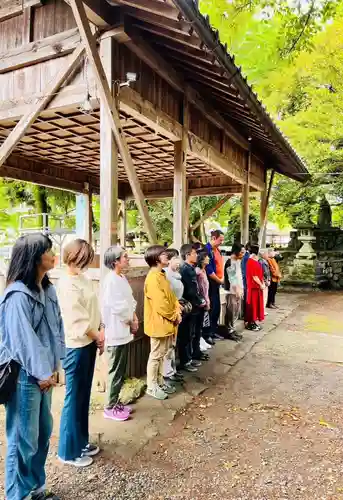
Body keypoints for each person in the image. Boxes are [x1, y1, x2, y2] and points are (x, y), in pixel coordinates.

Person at [0, 234, 65, 500]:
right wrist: (41, 373)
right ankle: (18, 495)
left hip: (44, 374)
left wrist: (55, 366)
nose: (53, 254)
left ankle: (36, 488)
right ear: (35, 257)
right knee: (22, 440)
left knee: (41, 435)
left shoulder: (47, 289)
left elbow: (56, 329)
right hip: (24, 377)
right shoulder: (16, 295)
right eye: (49, 250)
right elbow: (22, 341)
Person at [57, 239, 104, 468]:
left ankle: (81, 441)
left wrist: (99, 331)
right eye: (83, 257)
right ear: (73, 256)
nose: (85, 262)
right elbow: (77, 319)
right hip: (76, 345)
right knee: (73, 397)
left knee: (83, 395)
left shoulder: (82, 278)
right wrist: (98, 335)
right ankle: (67, 450)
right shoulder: (66, 283)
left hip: (89, 341)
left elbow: (93, 309)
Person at [101, 246, 138, 421]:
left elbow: (130, 301)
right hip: (115, 330)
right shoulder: (110, 280)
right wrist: (131, 320)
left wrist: (134, 317)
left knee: (120, 370)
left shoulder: (121, 277)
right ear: (115, 261)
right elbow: (117, 307)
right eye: (125, 257)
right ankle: (109, 406)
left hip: (124, 328)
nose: (128, 259)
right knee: (115, 370)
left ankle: (116, 402)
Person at [144, 245, 181, 400]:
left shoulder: (161, 275)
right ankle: (151, 386)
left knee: (162, 354)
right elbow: (161, 304)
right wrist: (175, 315)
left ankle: (159, 381)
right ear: (156, 258)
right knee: (156, 355)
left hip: (166, 323)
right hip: (159, 323)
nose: (167, 257)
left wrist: (177, 309)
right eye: (164, 255)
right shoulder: (153, 278)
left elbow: (171, 297)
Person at [178, 244, 206, 372]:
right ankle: (185, 361)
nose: (196, 256)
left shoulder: (190, 268)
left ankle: (189, 358)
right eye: (194, 253)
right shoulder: (185, 269)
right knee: (186, 334)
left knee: (191, 333)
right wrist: (198, 300)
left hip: (193, 306)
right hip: (189, 307)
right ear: (188, 255)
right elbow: (189, 290)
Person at [163, 248, 184, 384]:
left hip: (178, 310)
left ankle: (172, 370)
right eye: (176, 258)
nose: (179, 261)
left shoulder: (176, 274)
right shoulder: (165, 275)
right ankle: (166, 372)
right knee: (168, 345)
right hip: (170, 313)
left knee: (173, 344)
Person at [204, 230, 225, 342]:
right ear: (213, 238)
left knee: (217, 308)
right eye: (220, 240)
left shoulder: (217, 250)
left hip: (217, 282)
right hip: (211, 283)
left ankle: (214, 330)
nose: (222, 242)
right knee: (212, 307)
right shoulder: (207, 250)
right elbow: (209, 269)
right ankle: (209, 333)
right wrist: (219, 280)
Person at [224, 243, 244, 341]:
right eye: (241, 252)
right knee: (231, 311)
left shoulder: (237, 261)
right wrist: (237, 290)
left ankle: (232, 329)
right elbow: (232, 278)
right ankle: (229, 330)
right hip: (232, 291)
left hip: (238, 290)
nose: (243, 254)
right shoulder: (230, 262)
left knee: (236, 311)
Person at [245, 244, 265, 331]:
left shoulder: (254, 261)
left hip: (257, 287)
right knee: (252, 306)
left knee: (256, 305)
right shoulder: (250, 261)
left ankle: (254, 321)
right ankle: (250, 323)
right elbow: (254, 276)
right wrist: (261, 284)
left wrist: (262, 283)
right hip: (253, 287)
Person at [195, 251, 211, 359]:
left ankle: (201, 342)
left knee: (202, 324)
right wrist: (205, 301)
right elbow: (200, 289)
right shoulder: (198, 272)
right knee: (198, 326)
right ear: (201, 259)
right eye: (206, 257)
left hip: (205, 300)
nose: (209, 258)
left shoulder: (203, 271)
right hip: (200, 302)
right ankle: (198, 347)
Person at [259, 249, 271, 315]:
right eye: (266, 254)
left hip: (266, 280)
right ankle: (262, 310)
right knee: (263, 297)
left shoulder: (265, 261)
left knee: (265, 297)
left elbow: (268, 272)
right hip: (264, 280)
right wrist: (266, 280)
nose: (267, 255)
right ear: (263, 255)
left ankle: (263, 310)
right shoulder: (261, 262)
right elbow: (263, 272)